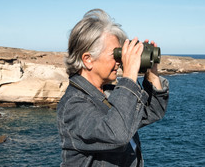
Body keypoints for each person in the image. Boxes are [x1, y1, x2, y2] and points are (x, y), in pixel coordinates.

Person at [57, 9, 169, 166]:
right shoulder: (74, 105)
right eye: (115, 55)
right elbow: (116, 133)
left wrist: (152, 73)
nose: (119, 61)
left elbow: (152, 112)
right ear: (88, 59)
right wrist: (129, 75)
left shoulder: (108, 93)